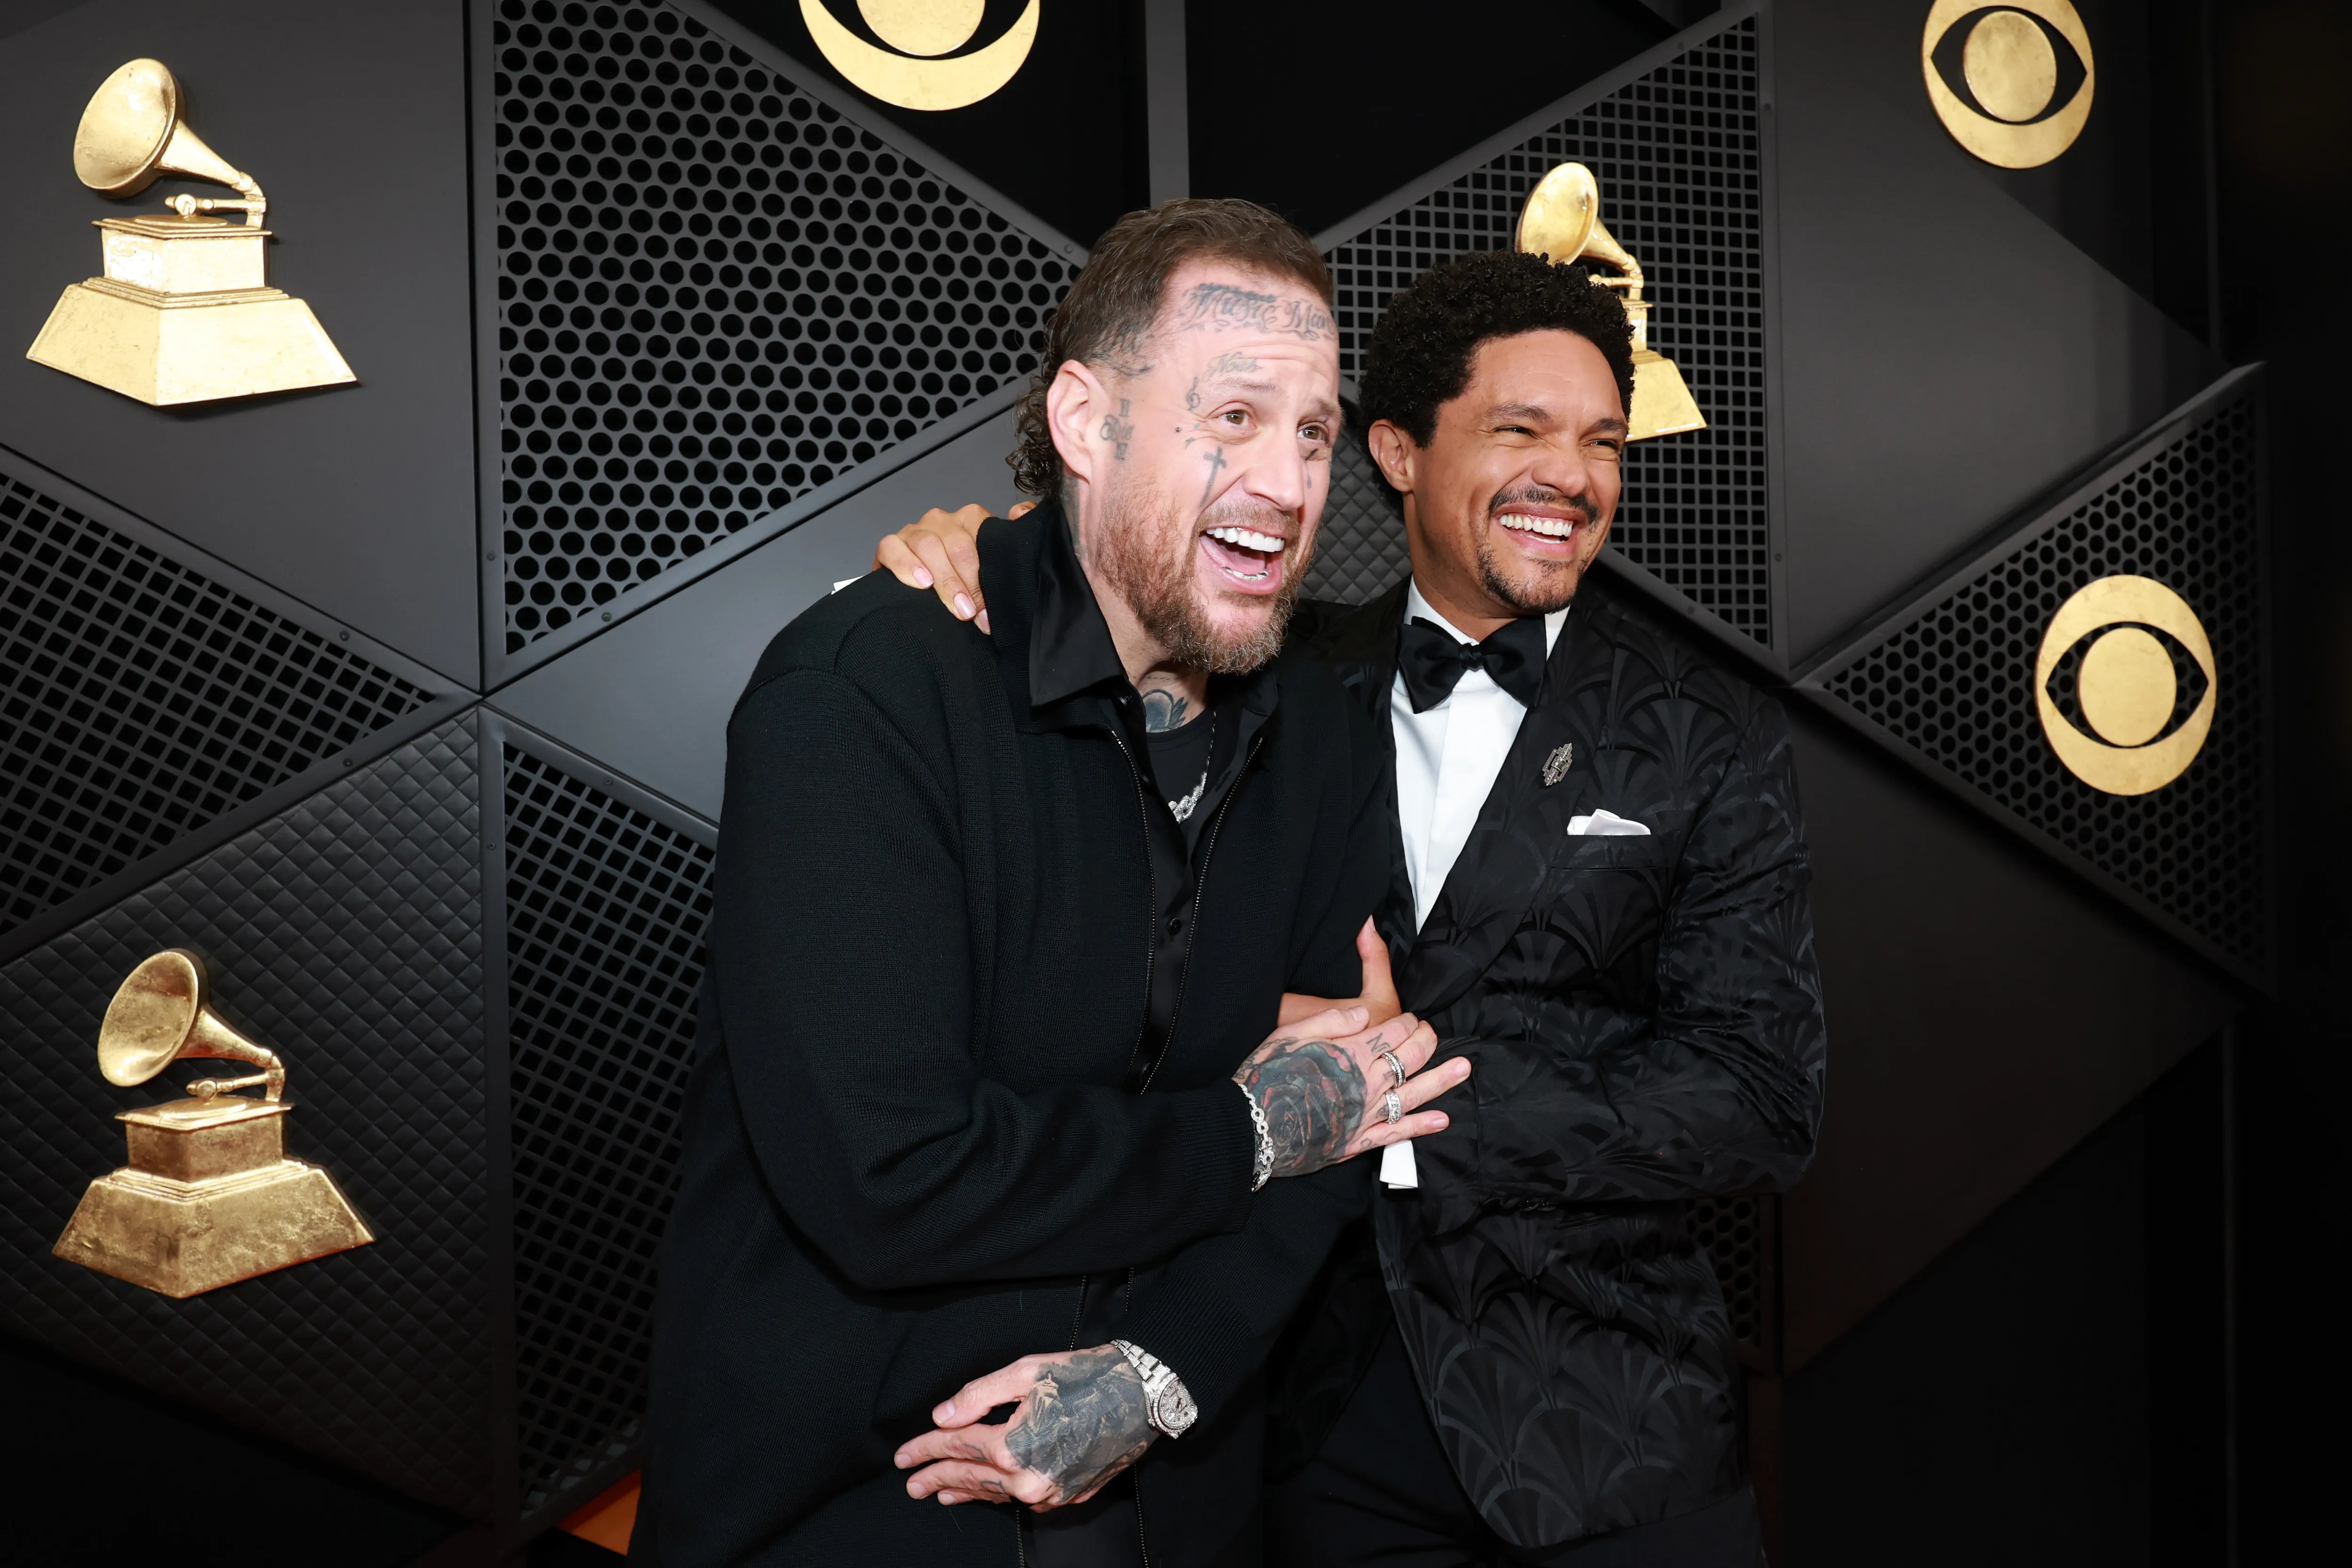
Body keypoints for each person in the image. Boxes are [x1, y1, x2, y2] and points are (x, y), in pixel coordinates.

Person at [876, 249, 1828, 1565]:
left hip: (1617, 1437)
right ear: (1395, 450)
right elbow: (1112, 953)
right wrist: (977, 558)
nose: (1574, 474)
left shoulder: (1709, 730)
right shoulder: (1261, 674)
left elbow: (1760, 1096)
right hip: (1303, 1427)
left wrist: (1403, 1084)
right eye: (1520, 430)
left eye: (1603, 440)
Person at [630, 199, 1470, 1568]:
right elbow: (890, 1175)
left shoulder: (1325, 714)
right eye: (1235, 416)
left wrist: (1162, 1369)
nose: (1289, 478)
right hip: (863, 1511)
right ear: (1088, 425)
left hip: (1181, 1512)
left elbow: (1364, 1104)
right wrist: (1252, 1129)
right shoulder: (859, 695)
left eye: (1314, 430)